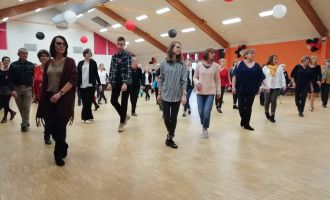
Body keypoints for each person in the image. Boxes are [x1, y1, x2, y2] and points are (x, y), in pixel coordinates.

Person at [36, 35, 77, 166]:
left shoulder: (70, 62)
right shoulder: (48, 62)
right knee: (50, 125)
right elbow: (46, 79)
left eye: (63, 44)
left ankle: (57, 154)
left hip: (63, 99)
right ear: (53, 46)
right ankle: (63, 145)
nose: (61, 46)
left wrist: (59, 94)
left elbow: (73, 80)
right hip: (48, 98)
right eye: (58, 43)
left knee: (60, 127)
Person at [158, 41, 187, 149]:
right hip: (165, 94)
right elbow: (161, 79)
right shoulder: (163, 63)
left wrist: (184, 95)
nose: (179, 49)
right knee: (166, 118)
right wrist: (159, 93)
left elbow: (184, 81)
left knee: (173, 118)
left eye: (180, 47)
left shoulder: (182, 65)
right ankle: (171, 134)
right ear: (172, 48)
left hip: (176, 95)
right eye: (177, 47)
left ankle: (169, 138)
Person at [232, 49, 268, 131]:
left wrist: (266, 85)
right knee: (241, 107)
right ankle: (243, 119)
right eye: (250, 53)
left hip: (252, 90)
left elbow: (262, 77)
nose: (252, 54)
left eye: (253, 53)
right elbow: (235, 76)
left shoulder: (257, 65)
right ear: (245, 55)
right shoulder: (240, 64)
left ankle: (247, 124)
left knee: (248, 107)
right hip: (241, 89)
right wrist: (233, 86)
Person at [193, 48, 220, 138]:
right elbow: (195, 77)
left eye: (214, 53)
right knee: (201, 112)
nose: (213, 54)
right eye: (211, 53)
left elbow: (217, 80)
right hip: (200, 92)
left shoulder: (216, 66)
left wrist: (218, 91)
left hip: (210, 92)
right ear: (207, 54)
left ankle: (205, 128)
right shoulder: (199, 65)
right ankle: (204, 123)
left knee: (207, 112)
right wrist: (197, 83)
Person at [107, 36, 132, 132]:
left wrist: (125, 83)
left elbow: (129, 71)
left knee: (124, 103)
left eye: (121, 44)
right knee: (113, 100)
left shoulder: (128, 56)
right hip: (115, 83)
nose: (119, 46)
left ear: (124, 45)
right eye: (118, 44)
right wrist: (109, 82)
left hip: (126, 83)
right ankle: (125, 115)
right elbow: (111, 69)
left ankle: (122, 122)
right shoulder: (114, 56)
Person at [8, 48, 35, 132]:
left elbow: (35, 77)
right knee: (20, 107)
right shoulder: (13, 65)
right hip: (16, 88)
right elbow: (9, 79)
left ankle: (24, 123)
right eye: (23, 53)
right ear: (18, 54)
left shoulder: (31, 65)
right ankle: (25, 120)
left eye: (26, 53)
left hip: (28, 88)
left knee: (26, 106)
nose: (25, 55)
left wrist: (34, 91)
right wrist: (12, 90)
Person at [77, 48, 101, 123]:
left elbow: (96, 74)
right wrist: (76, 84)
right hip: (81, 85)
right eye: (87, 53)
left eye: (90, 53)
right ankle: (89, 116)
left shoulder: (93, 62)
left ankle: (85, 117)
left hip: (90, 85)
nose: (88, 54)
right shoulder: (80, 63)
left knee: (88, 102)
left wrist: (99, 83)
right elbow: (77, 74)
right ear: (84, 54)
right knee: (85, 102)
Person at [262, 55, 286, 122]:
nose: (276, 61)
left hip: (276, 87)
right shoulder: (265, 68)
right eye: (275, 59)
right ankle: (266, 112)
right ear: (271, 59)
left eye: (277, 59)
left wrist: (284, 85)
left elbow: (282, 77)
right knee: (267, 101)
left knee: (273, 101)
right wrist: (262, 87)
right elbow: (262, 77)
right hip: (267, 87)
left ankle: (272, 116)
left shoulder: (279, 68)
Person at [0, 56, 16, 123]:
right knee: (1, 103)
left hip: (8, 89)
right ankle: (12, 112)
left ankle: (5, 118)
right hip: (0, 88)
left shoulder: (11, 70)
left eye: (8, 60)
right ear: (2, 61)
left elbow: (13, 80)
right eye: (5, 60)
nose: (6, 61)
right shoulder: (0, 69)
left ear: (9, 62)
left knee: (6, 103)